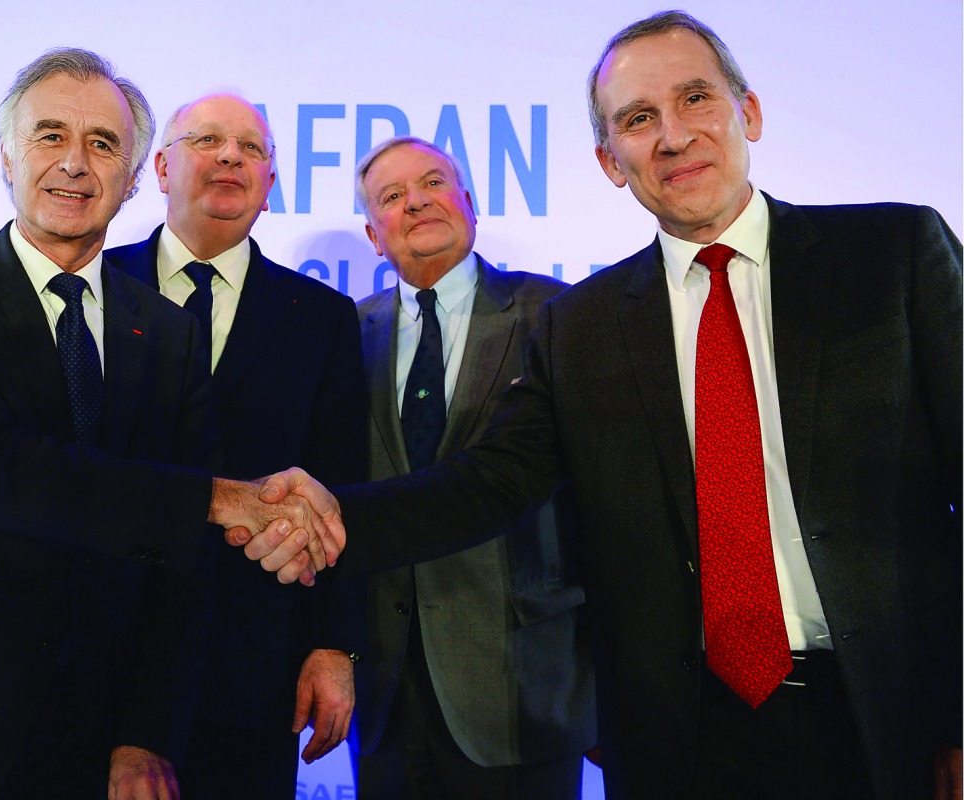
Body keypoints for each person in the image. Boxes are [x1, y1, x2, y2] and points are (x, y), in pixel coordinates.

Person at [239, 12, 963, 800]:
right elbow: (489, 483)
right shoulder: (582, 324)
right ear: (611, 161)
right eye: (639, 119)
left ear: (749, 112)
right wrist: (331, 517)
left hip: (887, 716)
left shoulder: (892, 256)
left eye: (696, 98)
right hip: (678, 737)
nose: (674, 137)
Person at [0, 49, 337, 800]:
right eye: (50, 135)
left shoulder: (169, 331)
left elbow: (180, 567)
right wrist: (216, 498)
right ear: (7, 157)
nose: (75, 163)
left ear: (133, 176)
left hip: (94, 731)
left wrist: (145, 732)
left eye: (103, 143)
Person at [105, 93, 367, 799]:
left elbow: (342, 486)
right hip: (98, 655)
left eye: (251, 148)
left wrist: (332, 645)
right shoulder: (91, 287)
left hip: (254, 665)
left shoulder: (321, 317)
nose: (230, 156)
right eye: (207, 140)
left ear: (270, 183)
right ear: (162, 168)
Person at [349, 136, 595, 799]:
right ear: (373, 236)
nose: (417, 202)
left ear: (470, 205)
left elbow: (603, 500)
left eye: (433, 183)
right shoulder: (345, 333)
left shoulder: (557, 314)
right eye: (392, 196)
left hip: (525, 685)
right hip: (385, 691)